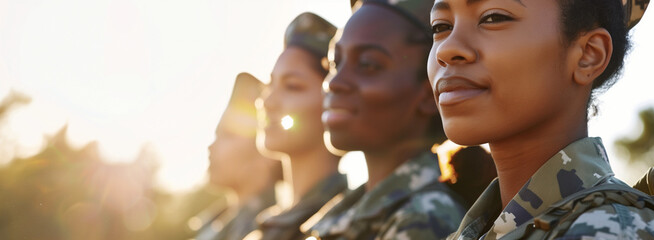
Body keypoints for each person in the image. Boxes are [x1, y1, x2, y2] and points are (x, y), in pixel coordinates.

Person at [428, 0, 654, 238]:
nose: (446, 49)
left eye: (493, 17)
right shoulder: (478, 230)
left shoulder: (610, 230)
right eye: (441, 26)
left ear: (588, 54)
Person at [308, 0, 467, 238]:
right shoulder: (348, 211)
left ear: (428, 94)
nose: (333, 82)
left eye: (367, 64)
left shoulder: (424, 218)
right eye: (334, 63)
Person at [247, 12, 349, 240]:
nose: (268, 101)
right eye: (270, 84)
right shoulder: (262, 230)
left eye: (292, 86)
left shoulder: (348, 227)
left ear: (333, 95)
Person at [195, 73, 282, 240]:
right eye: (216, 136)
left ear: (265, 153)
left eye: (227, 136)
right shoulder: (216, 224)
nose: (211, 147)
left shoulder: (273, 230)